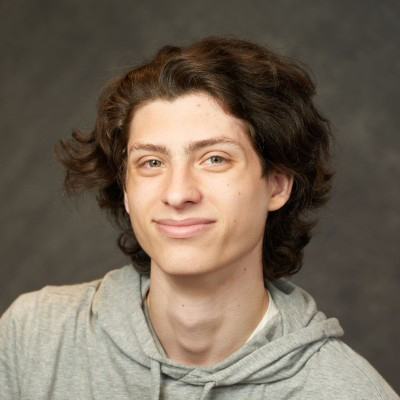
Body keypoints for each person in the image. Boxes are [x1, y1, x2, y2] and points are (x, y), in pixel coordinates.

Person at [0, 37, 397, 400]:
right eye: (151, 162)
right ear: (125, 189)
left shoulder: (348, 391)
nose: (177, 193)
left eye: (215, 159)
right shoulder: (33, 338)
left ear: (276, 185)